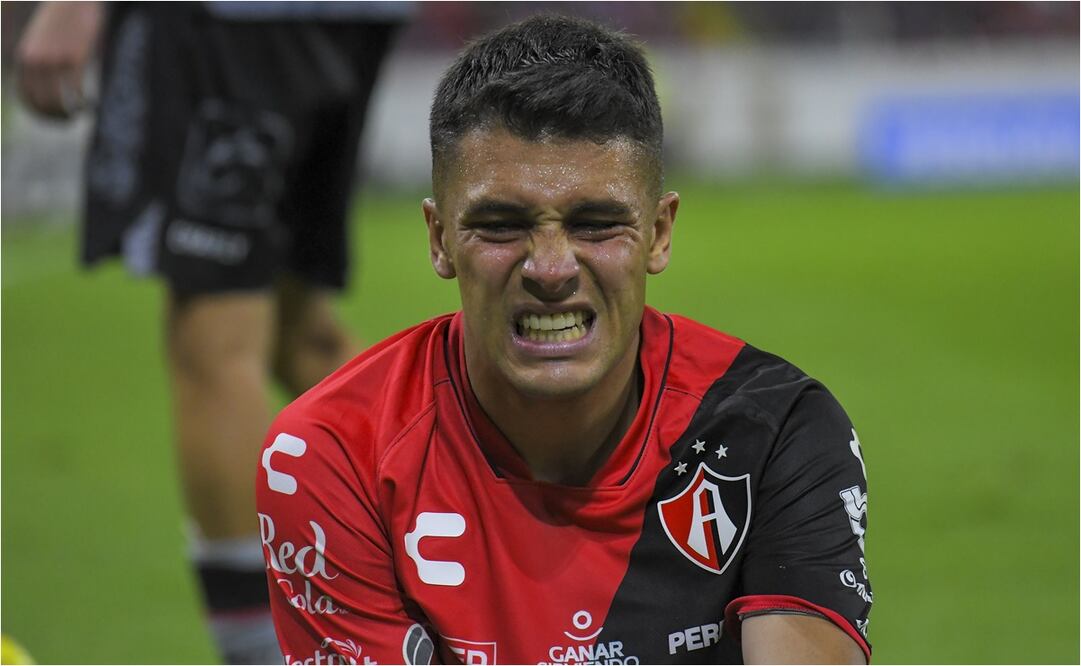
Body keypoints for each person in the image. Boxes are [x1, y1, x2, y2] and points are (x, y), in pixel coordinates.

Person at [257, 14, 872, 665]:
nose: (549, 268)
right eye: (499, 225)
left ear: (659, 234)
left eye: (596, 223)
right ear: (438, 239)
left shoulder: (768, 429)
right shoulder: (328, 453)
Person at [15, 2, 407, 663]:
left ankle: (260, 650)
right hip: (359, 14)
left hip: (229, 20)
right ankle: (479, 537)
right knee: (298, 329)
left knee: (214, 342)